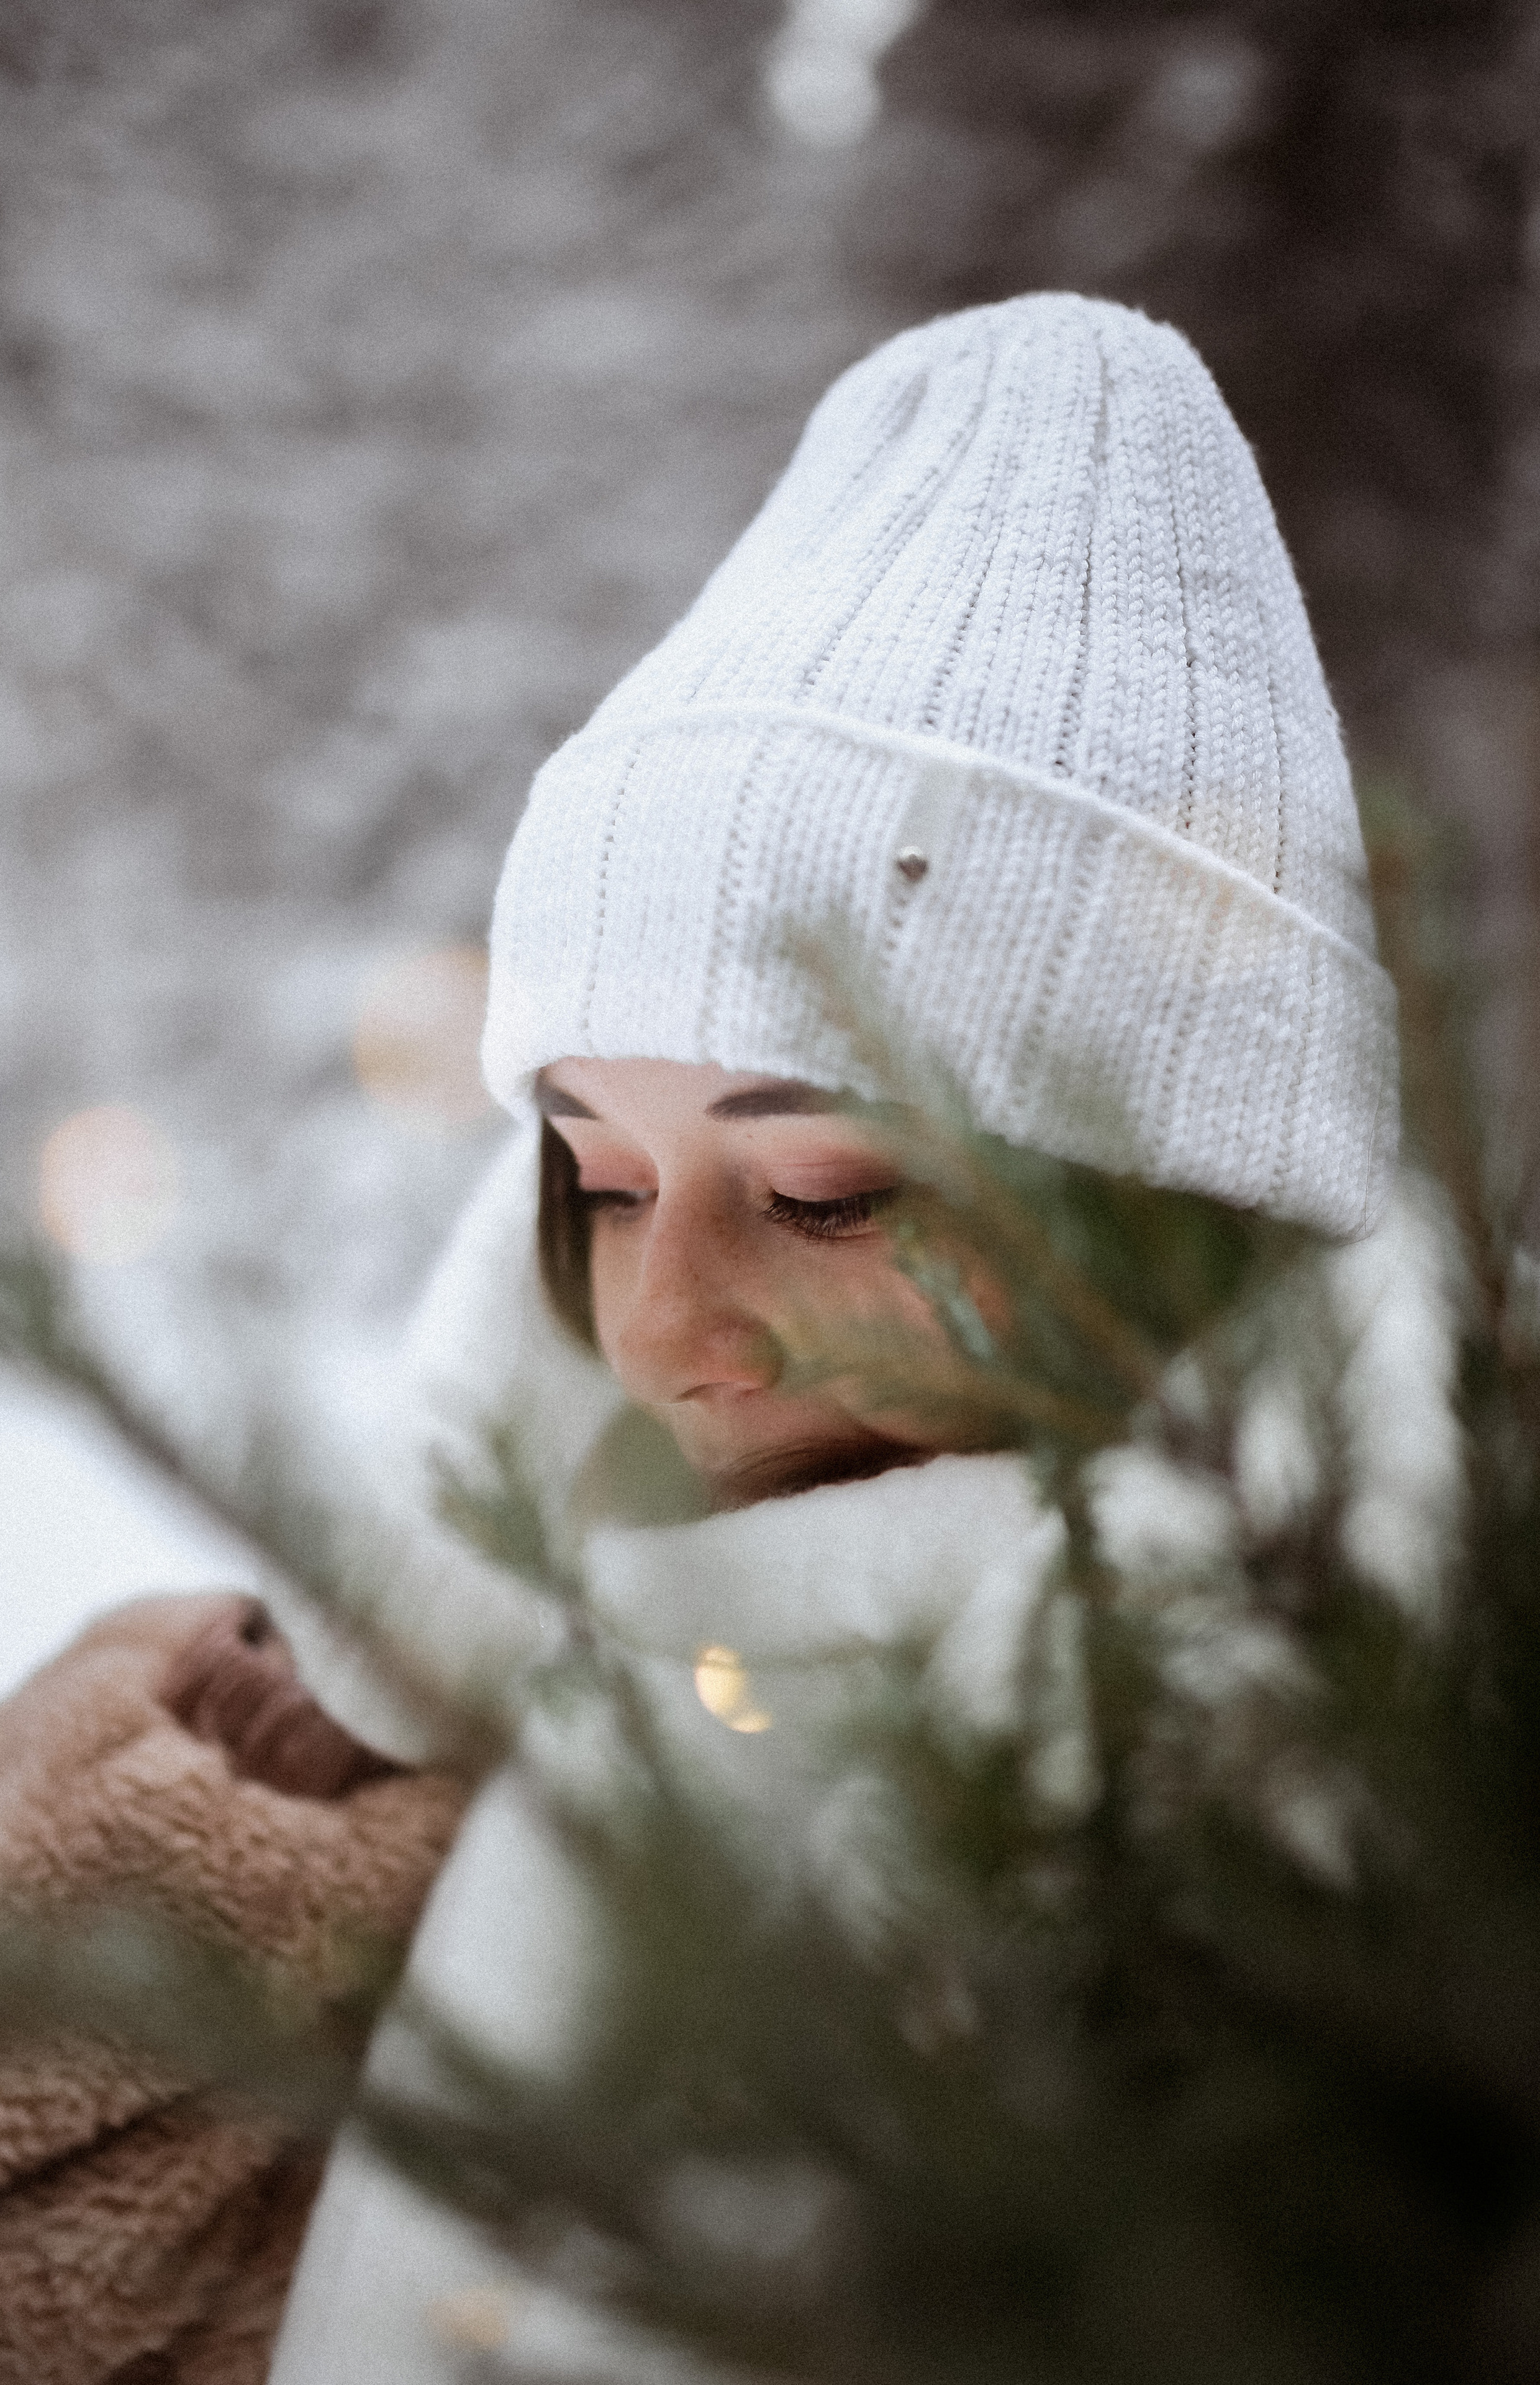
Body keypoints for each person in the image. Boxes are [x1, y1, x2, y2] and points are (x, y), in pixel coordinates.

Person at [260, 293, 1463, 2384]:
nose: (663, 1328)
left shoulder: (1348, 1850)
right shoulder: (515, 1718)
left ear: (1178, 1207)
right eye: (601, 1182)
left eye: (818, 1193)